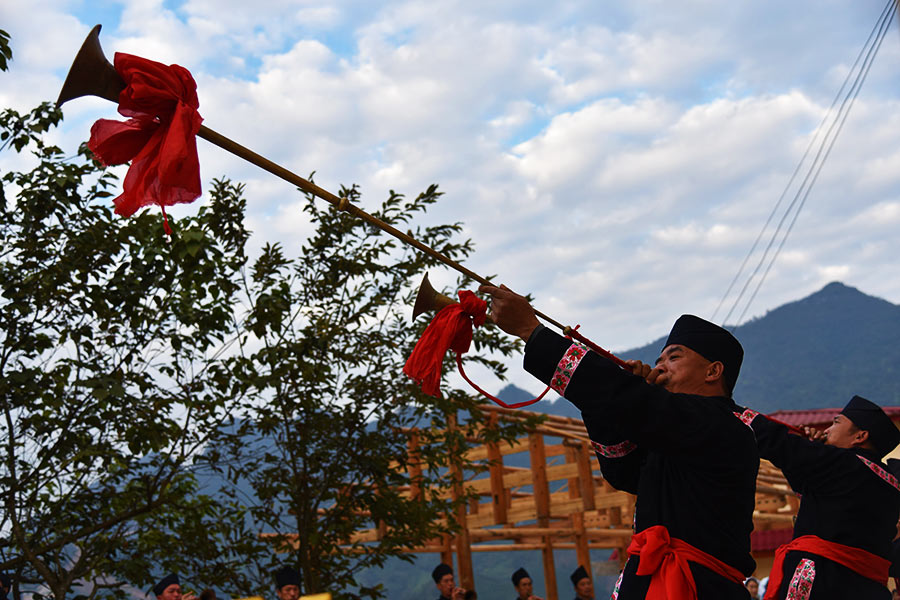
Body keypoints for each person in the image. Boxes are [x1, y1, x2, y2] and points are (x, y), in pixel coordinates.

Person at [480, 284, 759, 599]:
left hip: (699, 587)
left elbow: (631, 401)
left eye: (674, 357)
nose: (659, 367)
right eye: (659, 359)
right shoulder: (675, 433)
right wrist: (605, 406)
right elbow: (622, 472)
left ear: (713, 371)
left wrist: (532, 332)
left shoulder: (725, 427)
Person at [743, 395, 900, 599]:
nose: (826, 430)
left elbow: (780, 444)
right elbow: (813, 484)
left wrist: (740, 416)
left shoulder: (845, 464)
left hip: (822, 580)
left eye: (836, 422)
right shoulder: (890, 484)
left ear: (860, 436)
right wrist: (815, 452)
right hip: (867, 588)